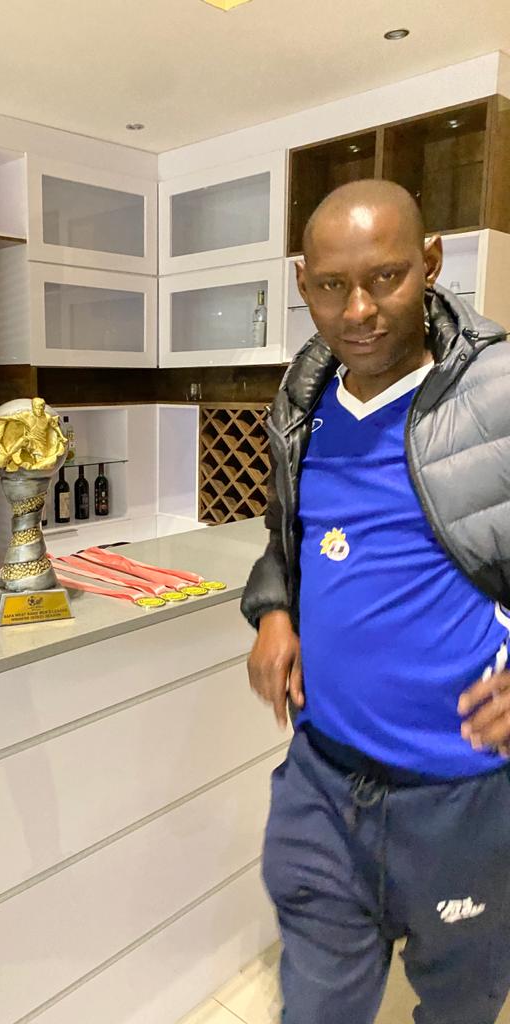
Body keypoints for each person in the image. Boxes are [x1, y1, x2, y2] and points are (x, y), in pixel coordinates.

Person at [241, 178, 510, 1024]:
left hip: (465, 798)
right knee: (316, 1007)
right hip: (323, 785)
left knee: (461, 1007)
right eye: (331, 286)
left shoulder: (498, 391)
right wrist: (274, 610)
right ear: (302, 283)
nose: (358, 310)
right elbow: (289, 532)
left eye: (386, 277)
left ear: (430, 262)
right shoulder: (303, 396)